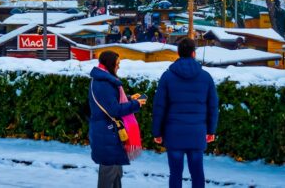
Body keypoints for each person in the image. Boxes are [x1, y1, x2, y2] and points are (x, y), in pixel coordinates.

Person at [152, 38, 218, 188]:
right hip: (197, 132)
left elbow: (159, 107)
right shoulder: (206, 77)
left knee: (175, 173)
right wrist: (211, 130)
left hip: (174, 133)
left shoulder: (167, 77)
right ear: (194, 53)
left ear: (178, 53)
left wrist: (157, 132)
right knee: (197, 172)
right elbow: (212, 106)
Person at [89, 50, 145, 188]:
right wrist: (135, 105)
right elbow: (114, 110)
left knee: (116, 174)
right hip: (107, 134)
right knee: (108, 175)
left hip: (109, 133)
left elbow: (112, 103)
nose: (119, 66)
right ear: (110, 64)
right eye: (117, 63)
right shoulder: (104, 83)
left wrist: (131, 99)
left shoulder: (104, 80)